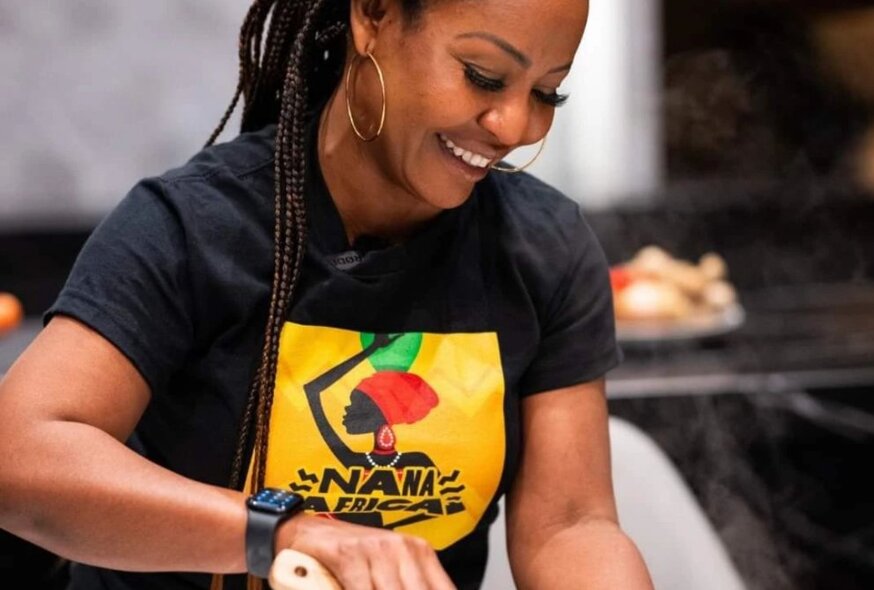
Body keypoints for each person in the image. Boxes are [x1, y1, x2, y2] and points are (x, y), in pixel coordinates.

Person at [0, 1, 655, 589]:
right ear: (373, 16)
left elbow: (570, 526)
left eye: (548, 93)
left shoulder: (543, 249)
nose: (514, 125)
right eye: (483, 76)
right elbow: (20, 457)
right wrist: (281, 533)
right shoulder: (195, 228)